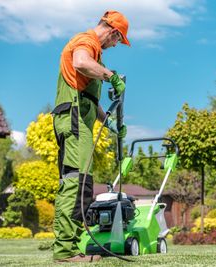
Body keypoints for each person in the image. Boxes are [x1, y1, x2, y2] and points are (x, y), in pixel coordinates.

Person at [51, 10, 130, 263]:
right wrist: (111, 76)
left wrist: (110, 124)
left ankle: (70, 246)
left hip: (79, 117)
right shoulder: (86, 41)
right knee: (76, 182)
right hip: (73, 119)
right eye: (119, 40)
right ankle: (66, 251)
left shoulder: (96, 51)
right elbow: (80, 62)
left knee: (81, 182)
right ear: (113, 32)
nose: (116, 45)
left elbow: (89, 100)